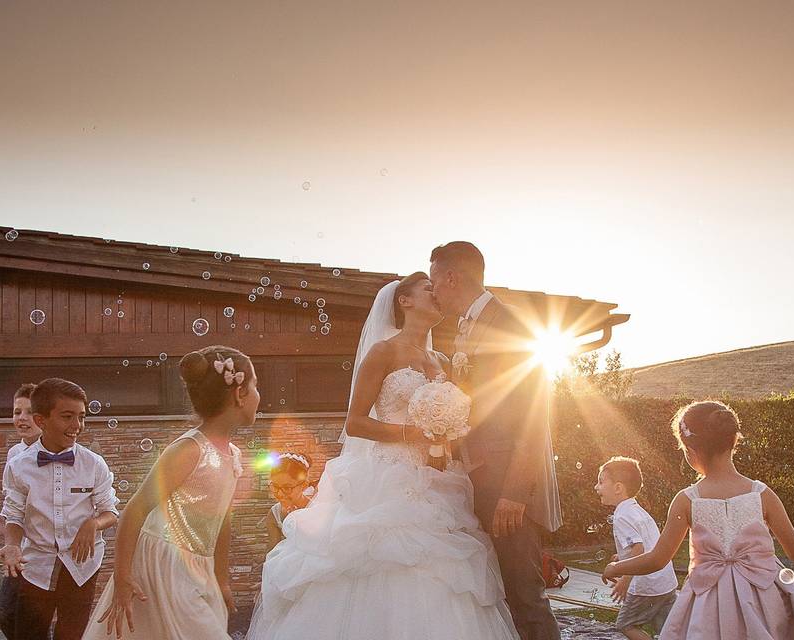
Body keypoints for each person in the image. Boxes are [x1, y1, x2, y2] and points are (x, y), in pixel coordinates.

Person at [249, 273, 518, 640]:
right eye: (427, 289)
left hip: (436, 480)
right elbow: (355, 422)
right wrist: (411, 433)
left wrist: (447, 434)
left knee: (439, 573)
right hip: (386, 477)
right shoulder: (384, 352)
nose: (435, 294)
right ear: (404, 301)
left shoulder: (441, 358)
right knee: (378, 565)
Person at [602, 401, 794, 639]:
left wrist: (617, 567)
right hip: (766, 597)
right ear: (734, 441)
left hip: (708, 603)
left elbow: (658, 558)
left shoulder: (686, 500)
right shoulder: (762, 494)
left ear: (690, 451)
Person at [430, 241, 562, 640]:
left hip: (506, 486)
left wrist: (515, 493)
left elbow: (534, 415)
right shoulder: (468, 326)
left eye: (435, 280)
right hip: (481, 478)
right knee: (503, 595)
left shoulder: (508, 324)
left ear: (452, 277)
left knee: (525, 596)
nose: (433, 290)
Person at [83, 346, 256, 640]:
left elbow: (222, 520)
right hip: (164, 563)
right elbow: (135, 510)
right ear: (239, 394)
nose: (257, 395)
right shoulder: (189, 449)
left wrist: (222, 579)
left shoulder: (233, 455)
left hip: (199, 566)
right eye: (255, 386)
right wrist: (122, 576)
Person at [0, 378, 119, 640]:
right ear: (41, 420)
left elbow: (110, 511)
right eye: (67, 417)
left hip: (82, 567)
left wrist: (93, 523)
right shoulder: (19, 466)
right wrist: (13, 545)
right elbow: (13, 514)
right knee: (28, 633)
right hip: (36, 566)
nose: (77, 426)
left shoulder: (94, 464)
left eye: (81, 417)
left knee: (71, 634)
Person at [594, 457, 677, 640]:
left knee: (626, 624)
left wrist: (625, 580)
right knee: (668, 630)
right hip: (665, 582)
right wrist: (621, 556)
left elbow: (638, 549)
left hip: (645, 587)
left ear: (618, 488)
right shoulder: (637, 511)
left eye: (601, 482)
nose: (596, 487)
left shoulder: (621, 516)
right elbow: (646, 544)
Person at [0, 382, 42, 638]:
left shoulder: (55, 452)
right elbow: (13, 500)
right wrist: (6, 526)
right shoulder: (15, 453)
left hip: (45, 551)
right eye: (17, 411)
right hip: (19, 550)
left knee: (22, 615)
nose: (22, 418)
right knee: (4, 611)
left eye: (30, 412)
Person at [265, 452, 316, 554]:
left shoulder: (315, 510)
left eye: (287, 488)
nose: (279, 493)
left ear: (304, 485)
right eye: (275, 486)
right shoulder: (275, 513)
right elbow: (273, 551)